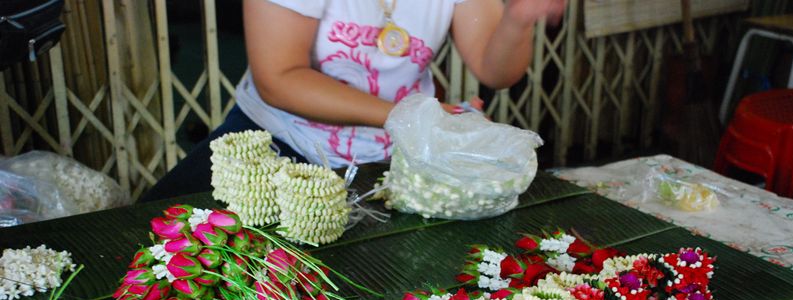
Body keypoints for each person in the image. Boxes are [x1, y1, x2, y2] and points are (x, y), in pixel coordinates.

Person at [140, 0, 566, 202]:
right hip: (279, 140)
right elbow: (279, 78)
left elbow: (496, 71)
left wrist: (517, 20)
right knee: (154, 241)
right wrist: (407, 114)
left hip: (394, 160)